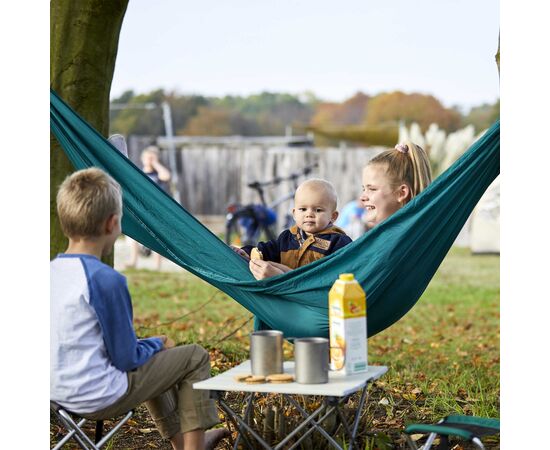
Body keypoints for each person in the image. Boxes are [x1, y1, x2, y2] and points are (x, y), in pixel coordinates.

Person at [51, 168, 228, 450]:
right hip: (96, 396)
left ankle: (182, 442)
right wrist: (157, 343)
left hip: (55, 392)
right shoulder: (104, 279)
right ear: (112, 224)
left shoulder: (49, 273)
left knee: (154, 357)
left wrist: (151, 348)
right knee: (194, 357)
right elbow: (126, 359)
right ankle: (193, 448)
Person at [249, 142, 432, 279]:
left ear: (402, 193)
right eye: (363, 189)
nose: (362, 197)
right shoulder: (388, 235)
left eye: (372, 189)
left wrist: (280, 277)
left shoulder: (393, 241)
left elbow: (332, 285)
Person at [232, 178, 352, 277]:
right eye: (303, 209)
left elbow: (342, 273)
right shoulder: (288, 237)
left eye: (318, 210)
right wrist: (246, 252)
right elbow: (267, 250)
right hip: (285, 297)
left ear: (333, 216)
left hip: (314, 298)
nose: (309, 214)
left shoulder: (338, 242)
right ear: (294, 214)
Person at [126, 145, 171, 270]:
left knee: (157, 237)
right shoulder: (138, 173)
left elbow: (166, 176)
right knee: (134, 234)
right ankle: (133, 261)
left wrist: (156, 163)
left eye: (152, 157)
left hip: (156, 211)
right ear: (142, 158)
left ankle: (157, 266)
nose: (149, 159)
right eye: (147, 157)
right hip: (141, 208)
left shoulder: (158, 174)